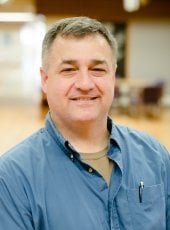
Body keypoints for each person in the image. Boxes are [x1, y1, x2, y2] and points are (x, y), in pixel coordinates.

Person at [0, 16, 169, 230]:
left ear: (113, 77)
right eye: (69, 70)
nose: (85, 84)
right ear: (45, 79)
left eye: (97, 70)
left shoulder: (155, 156)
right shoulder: (10, 178)